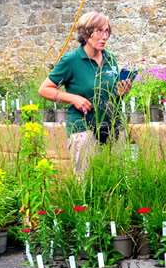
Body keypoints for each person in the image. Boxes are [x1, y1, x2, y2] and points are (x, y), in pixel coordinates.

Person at [38, 11, 132, 174]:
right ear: (86, 33)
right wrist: (73, 98)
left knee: (118, 178)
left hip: (114, 126)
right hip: (83, 127)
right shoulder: (71, 60)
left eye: (107, 31)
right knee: (86, 180)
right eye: (99, 31)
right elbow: (44, 89)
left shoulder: (110, 59)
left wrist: (122, 92)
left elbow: (111, 94)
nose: (105, 37)